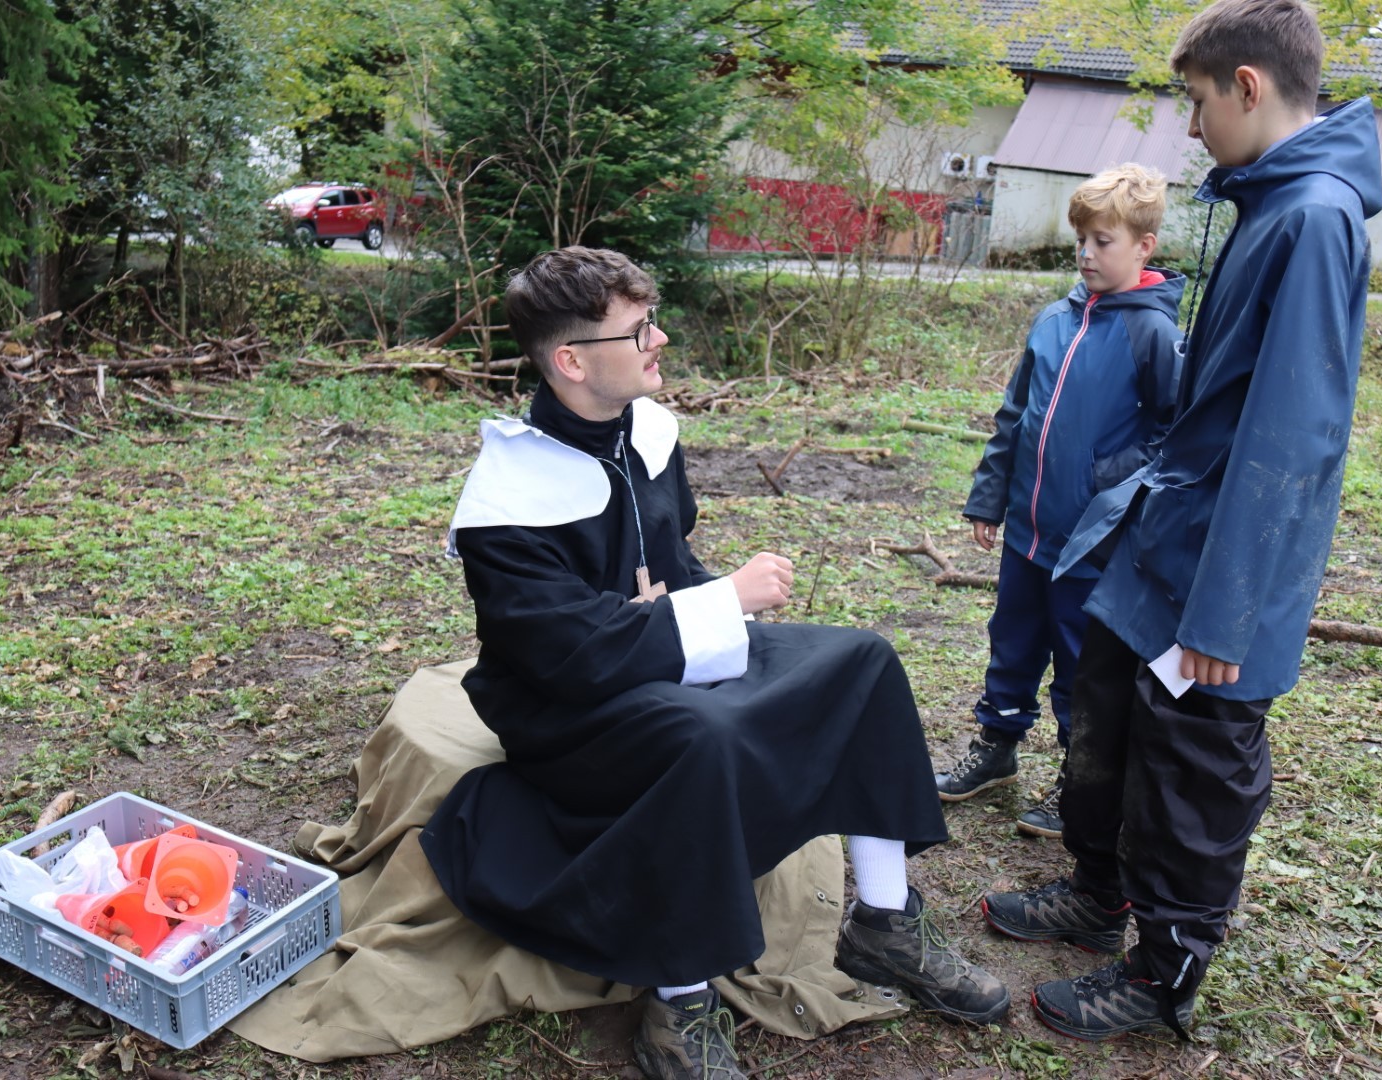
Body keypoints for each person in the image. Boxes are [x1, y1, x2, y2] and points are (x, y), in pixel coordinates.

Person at [423, 246, 1009, 1080]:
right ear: (573, 361)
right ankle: (680, 1000)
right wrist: (723, 600)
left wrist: (704, 603)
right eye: (639, 330)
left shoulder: (649, 432)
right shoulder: (505, 501)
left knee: (863, 662)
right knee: (701, 739)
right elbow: (569, 656)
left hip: (666, 653)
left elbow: (670, 563)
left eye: (653, 320)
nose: (659, 339)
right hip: (566, 712)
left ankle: (884, 922)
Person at [980, 0, 1382, 1042]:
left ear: (1248, 85)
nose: (1192, 128)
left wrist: (1225, 614)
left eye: (1199, 102)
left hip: (1219, 575)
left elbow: (1292, 437)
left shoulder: (1315, 217)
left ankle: (1164, 973)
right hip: (1164, 543)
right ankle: (1097, 891)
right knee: (1106, 716)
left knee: (1191, 768)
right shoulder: (1270, 203)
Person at [937, 163, 1185, 841]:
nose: (1087, 254)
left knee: (1082, 663)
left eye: (1104, 241)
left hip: (1091, 544)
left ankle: (1080, 778)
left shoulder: (1153, 334)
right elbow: (1015, 416)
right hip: (1028, 530)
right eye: (1081, 240)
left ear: (1144, 246)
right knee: (1013, 641)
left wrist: (1111, 476)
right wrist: (990, 498)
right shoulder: (1053, 320)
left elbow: (1173, 433)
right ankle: (996, 747)